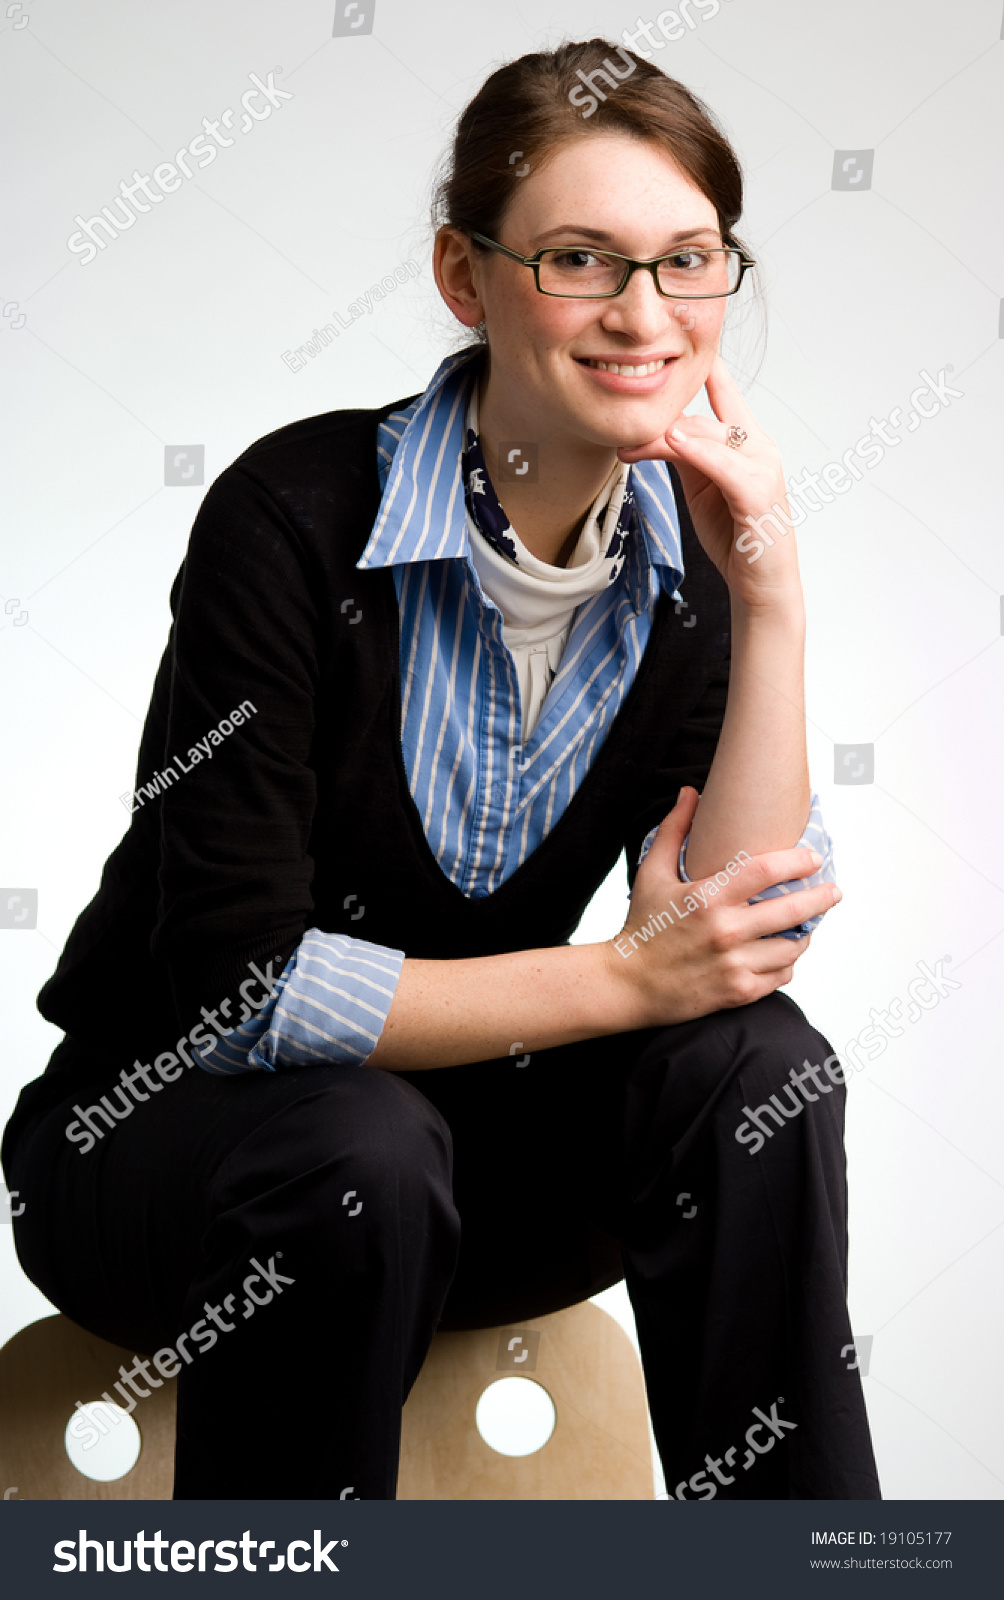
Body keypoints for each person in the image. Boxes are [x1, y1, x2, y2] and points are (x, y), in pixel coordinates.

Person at [2, 39, 880, 1500]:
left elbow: (738, 939)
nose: (643, 315)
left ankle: (799, 1568)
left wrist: (772, 591)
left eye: (688, 261)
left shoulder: (687, 568)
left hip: (470, 1176)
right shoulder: (293, 518)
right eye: (582, 260)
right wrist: (620, 979)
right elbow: (240, 989)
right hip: (171, 1166)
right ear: (466, 280)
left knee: (756, 1069)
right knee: (359, 1138)